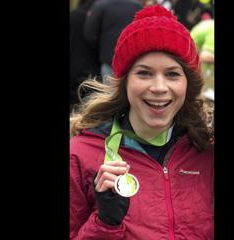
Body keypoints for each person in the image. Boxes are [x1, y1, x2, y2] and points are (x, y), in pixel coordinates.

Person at [70, 4, 214, 239]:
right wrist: (105, 223)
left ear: (188, 85)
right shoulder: (80, 155)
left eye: (172, 74)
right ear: (124, 83)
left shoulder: (206, 150)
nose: (158, 87)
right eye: (144, 73)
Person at [83, 0, 143, 83]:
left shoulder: (101, 5)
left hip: (109, 58)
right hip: (132, 59)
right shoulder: (137, 6)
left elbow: (90, 33)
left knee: (109, 92)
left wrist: (100, 48)